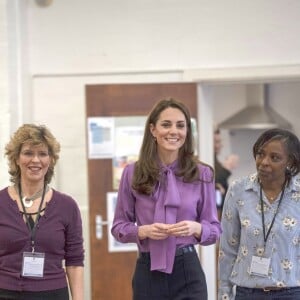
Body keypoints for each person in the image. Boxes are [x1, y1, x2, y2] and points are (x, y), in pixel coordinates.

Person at [111, 98, 221, 300]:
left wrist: (196, 228)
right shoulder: (132, 173)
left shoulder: (203, 173)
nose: (174, 131)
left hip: (188, 270)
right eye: (166, 124)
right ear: (153, 129)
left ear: (187, 131)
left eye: (180, 125)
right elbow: (119, 227)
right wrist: (142, 231)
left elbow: (215, 230)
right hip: (147, 270)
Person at [0, 124, 84, 300]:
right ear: (16, 158)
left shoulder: (67, 206)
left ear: (51, 160)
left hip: (53, 294)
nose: (36, 160)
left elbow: (75, 262)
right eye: (28, 153)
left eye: (43, 154)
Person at [218, 128, 300, 300]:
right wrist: (224, 293)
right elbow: (228, 248)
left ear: (290, 162)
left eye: (274, 157)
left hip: (292, 292)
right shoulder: (238, 190)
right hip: (247, 293)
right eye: (260, 154)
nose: (264, 162)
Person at [214, 128, 239, 213]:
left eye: (219, 142)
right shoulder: (206, 161)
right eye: (217, 142)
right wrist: (226, 168)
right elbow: (213, 183)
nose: (220, 145)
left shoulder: (216, 163)